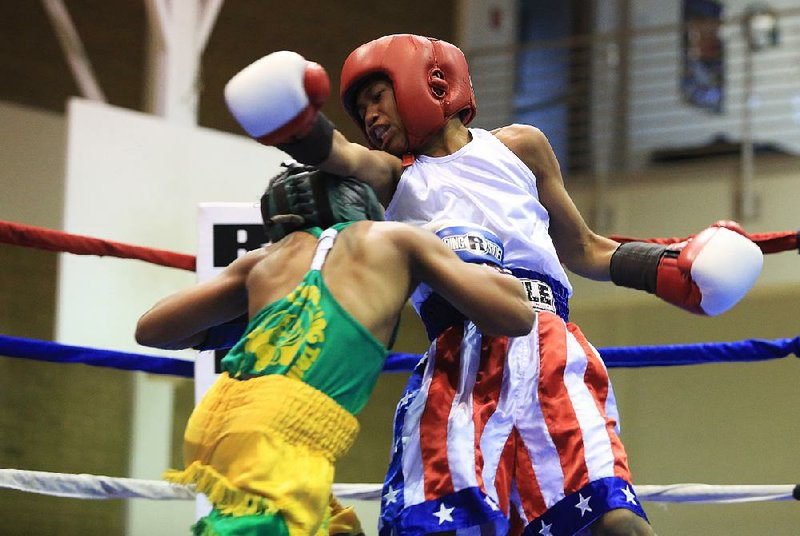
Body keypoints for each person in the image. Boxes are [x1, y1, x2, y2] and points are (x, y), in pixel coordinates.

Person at [223, 35, 763, 535]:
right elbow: (341, 155)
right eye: (360, 105)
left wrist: (671, 269)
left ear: (431, 82)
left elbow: (585, 249)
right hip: (460, 360)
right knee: (448, 523)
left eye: (378, 95)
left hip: (551, 348)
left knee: (611, 518)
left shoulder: (520, 147)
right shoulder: (393, 176)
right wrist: (298, 124)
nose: (369, 114)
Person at [135, 162, 534, 536]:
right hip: (282, 434)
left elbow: (153, 330)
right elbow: (516, 318)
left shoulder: (266, 259)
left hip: (223, 414)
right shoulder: (397, 238)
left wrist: (259, 322)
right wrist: (489, 269)